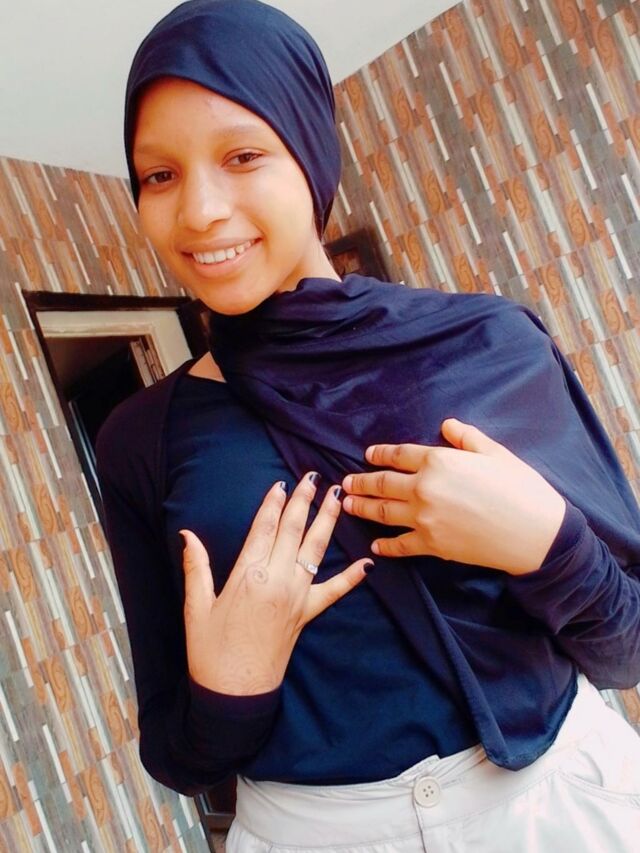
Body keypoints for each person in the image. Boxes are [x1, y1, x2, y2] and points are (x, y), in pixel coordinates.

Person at [95, 1, 640, 850]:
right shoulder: (139, 438)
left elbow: (627, 643)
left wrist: (548, 541)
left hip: (557, 807)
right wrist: (230, 685)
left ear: (309, 151)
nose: (198, 210)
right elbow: (178, 755)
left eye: (243, 156)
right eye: (159, 175)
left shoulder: (489, 343)